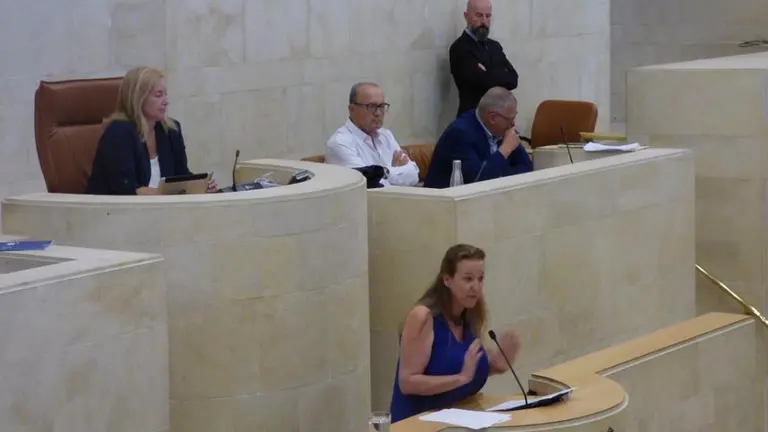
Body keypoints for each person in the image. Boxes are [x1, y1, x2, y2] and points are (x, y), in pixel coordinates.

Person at [390, 244, 522, 423]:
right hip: (418, 425)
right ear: (447, 280)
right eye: (468, 279)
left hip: (458, 422)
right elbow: (407, 382)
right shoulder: (423, 317)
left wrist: (495, 365)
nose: (476, 287)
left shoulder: (470, 315)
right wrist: (461, 378)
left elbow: (456, 365)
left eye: (480, 279)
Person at [86, 67, 216, 195]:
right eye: (158, 95)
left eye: (165, 94)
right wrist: (168, 194)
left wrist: (200, 186)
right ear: (138, 99)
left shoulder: (171, 131)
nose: (166, 101)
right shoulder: (118, 133)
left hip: (163, 210)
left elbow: (181, 175)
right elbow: (125, 189)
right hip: (117, 212)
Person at [423, 87, 532, 188]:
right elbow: (478, 183)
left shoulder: (504, 130)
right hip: (444, 205)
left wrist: (498, 175)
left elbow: (527, 169)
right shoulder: (460, 133)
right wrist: (504, 150)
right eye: (509, 119)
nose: (513, 124)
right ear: (493, 118)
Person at [325, 82, 420, 187]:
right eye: (371, 107)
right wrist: (397, 170)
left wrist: (385, 172)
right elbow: (369, 185)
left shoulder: (386, 136)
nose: (378, 113)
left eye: (381, 106)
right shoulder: (340, 143)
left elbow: (414, 175)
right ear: (351, 109)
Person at [450, 0, 519, 117]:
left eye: (488, 16)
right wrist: (499, 74)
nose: (484, 21)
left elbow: (513, 79)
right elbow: (482, 83)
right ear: (466, 16)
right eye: (479, 15)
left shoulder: (495, 46)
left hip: (499, 120)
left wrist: (488, 73)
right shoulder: (459, 48)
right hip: (473, 118)